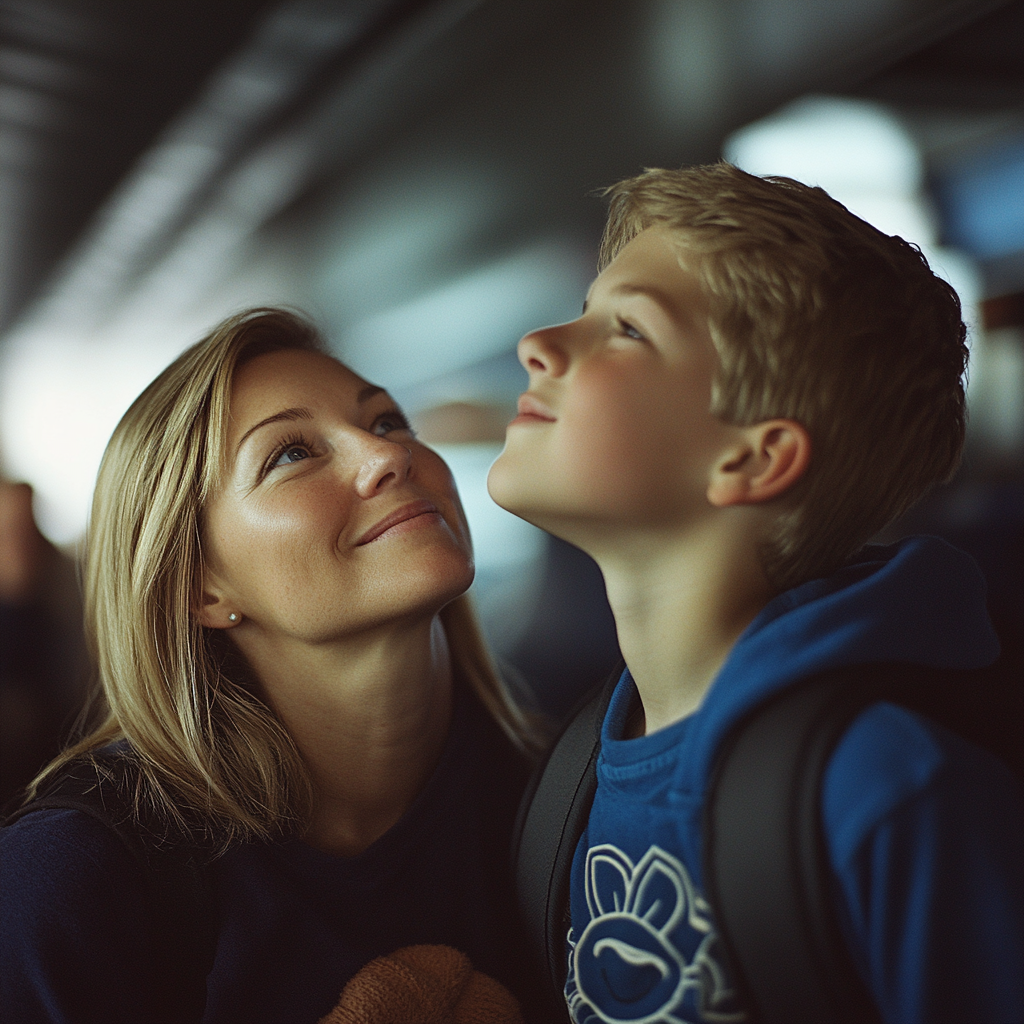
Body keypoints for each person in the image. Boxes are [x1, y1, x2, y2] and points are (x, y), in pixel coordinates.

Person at [487, 163, 1024, 1024]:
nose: (538, 344)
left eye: (625, 327)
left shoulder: (890, 791)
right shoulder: (574, 773)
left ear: (753, 459)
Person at [1, 307, 549, 1024]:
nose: (388, 455)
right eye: (291, 454)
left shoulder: (562, 793)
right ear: (201, 587)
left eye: (386, 421)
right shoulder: (75, 876)